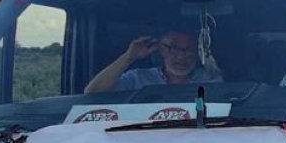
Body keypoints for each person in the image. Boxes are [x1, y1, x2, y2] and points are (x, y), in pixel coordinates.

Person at [85, 30, 222, 93]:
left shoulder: (210, 79)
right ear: (160, 49)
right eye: (173, 48)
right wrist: (129, 57)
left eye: (189, 49)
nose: (181, 57)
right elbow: (92, 92)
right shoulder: (137, 78)